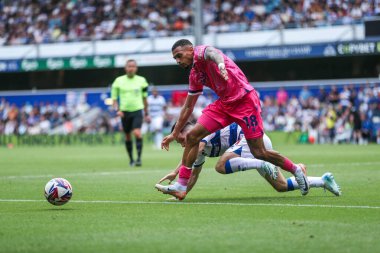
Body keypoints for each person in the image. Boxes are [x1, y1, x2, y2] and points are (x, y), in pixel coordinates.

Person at [161, 39, 310, 195]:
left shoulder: (202, 52)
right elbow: (188, 106)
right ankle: (181, 184)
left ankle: (296, 170)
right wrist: (174, 133)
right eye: (175, 58)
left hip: (245, 101)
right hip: (224, 105)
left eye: (179, 55)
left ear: (190, 50)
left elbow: (213, 53)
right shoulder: (195, 75)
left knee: (259, 152)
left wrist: (220, 64)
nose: (178, 61)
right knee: (192, 136)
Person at [156, 123, 341, 200]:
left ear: (186, 131)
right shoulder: (196, 148)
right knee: (281, 186)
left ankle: (262, 163)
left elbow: (197, 151)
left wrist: (176, 171)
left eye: (180, 139)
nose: (182, 144)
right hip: (255, 146)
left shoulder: (201, 131)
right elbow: (194, 175)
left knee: (221, 165)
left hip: (250, 139)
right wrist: (180, 193)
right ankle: (323, 181)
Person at [111, 59, 149, 167]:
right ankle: (131, 159)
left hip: (137, 110)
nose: (131, 68)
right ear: (125, 68)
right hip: (124, 112)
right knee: (127, 136)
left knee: (137, 133)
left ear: (136, 68)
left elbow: (145, 98)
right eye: (129, 66)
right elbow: (114, 99)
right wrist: (117, 110)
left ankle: (139, 159)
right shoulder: (118, 81)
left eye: (133, 66)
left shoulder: (142, 81)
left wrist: (146, 112)